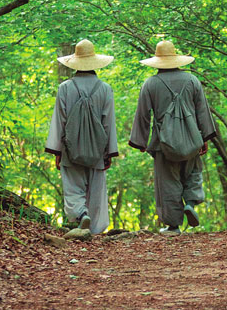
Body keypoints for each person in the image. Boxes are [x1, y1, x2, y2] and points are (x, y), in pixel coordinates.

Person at [128, 39, 216, 234]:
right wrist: (205, 138)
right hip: (191, 138)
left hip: (163, 142)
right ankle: (191, 203)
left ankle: (173, 225)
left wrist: (140, 141)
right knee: (193, 173)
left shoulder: (150, 84)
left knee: (168, 181)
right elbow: (202, 111)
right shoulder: (192, 81)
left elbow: (143, 114)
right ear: (176, 59)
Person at [44, 39, 118, 237]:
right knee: (96, 187)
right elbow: (108, 122)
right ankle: (94, 229)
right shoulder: (105, 89)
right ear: (95, 63)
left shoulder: (65, 88)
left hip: (70, 147)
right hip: (97, 148)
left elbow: (60, 121)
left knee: (73, 186)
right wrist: (109, 152)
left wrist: (57, 150)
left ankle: (80, 214)